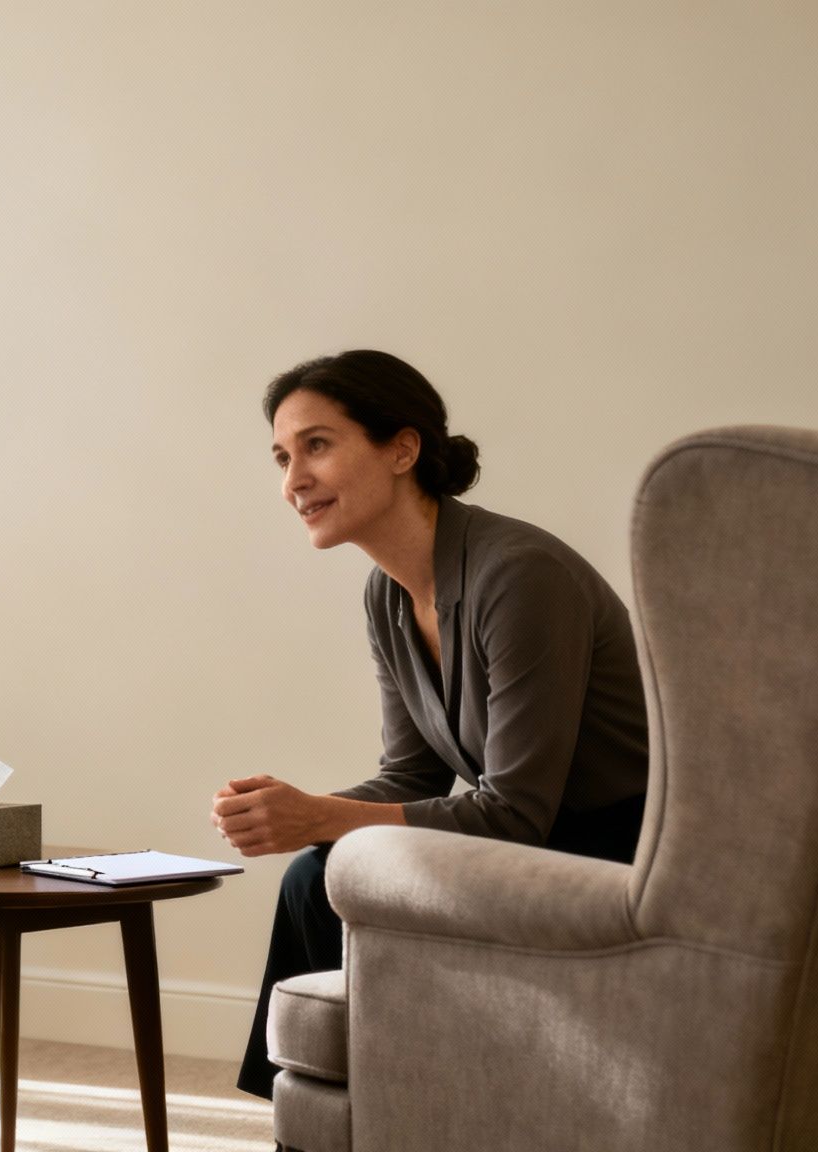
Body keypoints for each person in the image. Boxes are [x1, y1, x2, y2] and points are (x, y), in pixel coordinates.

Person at [215, 350, 648, 1098]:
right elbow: (410, 776)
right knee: (315, 875)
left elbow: (514, 814)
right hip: (535, 841)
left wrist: (318, 817)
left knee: (319, 870)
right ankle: (319, 1119)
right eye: (283, 457)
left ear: (402, 449)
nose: (293, 481)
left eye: (317, 445)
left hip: (614, 848)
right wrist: (292, 811)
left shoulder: (518, 575)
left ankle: (369, 1109)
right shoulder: (388, 595)